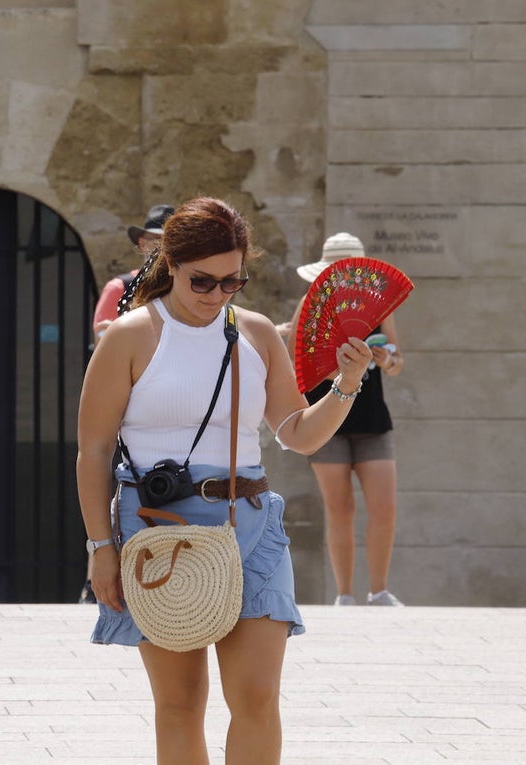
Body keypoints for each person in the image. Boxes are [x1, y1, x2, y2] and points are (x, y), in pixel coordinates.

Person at [77, 197, 373, 764]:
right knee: (181, 703)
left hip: (252, 523)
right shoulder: (131, 335)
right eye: (202, 281)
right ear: (170, 263)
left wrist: (347, 383)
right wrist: (99, 547)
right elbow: (91, 453)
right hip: (156, 529)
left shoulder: (256, 333)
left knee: (258, 699)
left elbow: (298, 434)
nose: (216, 295)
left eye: (232, 282)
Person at [288, 232, 405, 607]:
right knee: (340, 508)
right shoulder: (312, 301)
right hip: (327, 416)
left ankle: (380, 590)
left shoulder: (379, 305)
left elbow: (397, 361)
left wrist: (385, 359)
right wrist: (331, 369)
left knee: (384, 506)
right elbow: (296, 354)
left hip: (372, 416)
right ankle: (344, 595)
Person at [81, 203, 176, 604]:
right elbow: (102, 334)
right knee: (113, 483)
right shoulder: (122, 286)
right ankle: (95, 578)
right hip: (125, 394)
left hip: (167, 398)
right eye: (154, 239)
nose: (159, 246)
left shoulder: (189, 287)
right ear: (141, 243)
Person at [91, 204, 175, 343]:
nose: (163, 247)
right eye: (157, 239)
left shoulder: (188, 286)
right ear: (142, 244)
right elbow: (103, 345)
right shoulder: (119, 288)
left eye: (170, 240)